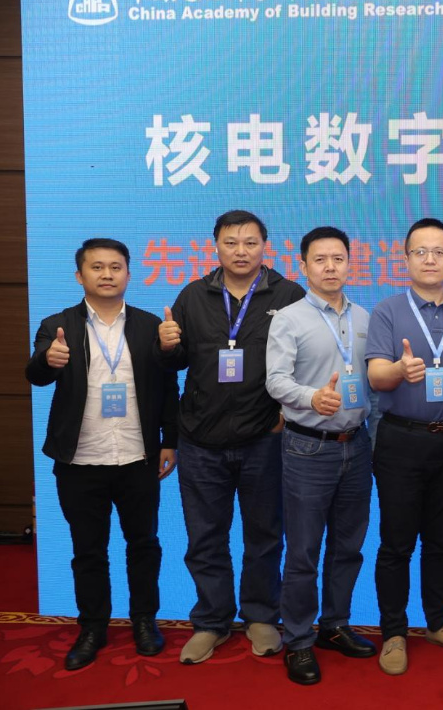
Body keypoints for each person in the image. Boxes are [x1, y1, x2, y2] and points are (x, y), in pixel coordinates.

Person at [157, 210, 305, 663]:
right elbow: (177, 364)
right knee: (205, 537)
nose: (241, 251)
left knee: (265, 535)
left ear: (265, 246)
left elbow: (307, 360)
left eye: (250, 242)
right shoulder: (193, 295)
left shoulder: (289, 295)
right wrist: (167, 345)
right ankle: (211, 621)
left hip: (264, 438)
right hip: (201, 439)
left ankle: (260, 616)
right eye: (231, 242)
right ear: (216, 246)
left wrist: (287, 412)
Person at [26, 238, 179, 670]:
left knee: (144, 544)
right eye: (97, 267)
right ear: (80, 275)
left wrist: (170, 440)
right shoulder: (57, 325)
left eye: (115, 266)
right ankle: (92, 626)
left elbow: (168, 386)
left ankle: (144, 621)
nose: (107, 274)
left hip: (137, 456)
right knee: (88, 550)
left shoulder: (149, 325)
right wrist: (49, 360)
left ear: (129, 274)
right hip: (79, 460)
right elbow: (35, 375)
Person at [366, 217, 443, 676]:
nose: (430, 259)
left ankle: (438, 622)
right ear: (406, 258)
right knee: (396, 543)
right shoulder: (388, 310)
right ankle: (394, 631)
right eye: (420, 251)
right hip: (400, 439)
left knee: (441, 539)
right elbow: (376, 375)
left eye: (439, 251)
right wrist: (400, 371)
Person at [265, 227, 375, 685]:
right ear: (304, 266)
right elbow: (275, 380)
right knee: (304, 551)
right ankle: (298, 640)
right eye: (320, 260)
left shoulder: (366, 317)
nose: (331, 267)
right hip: (308, 446)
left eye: (338, 259)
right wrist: (311, 398)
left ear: (350, 263)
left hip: (357, 445)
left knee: (348, 546)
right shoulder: (288, 318)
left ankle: (334, 624)